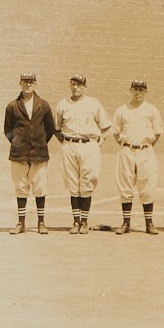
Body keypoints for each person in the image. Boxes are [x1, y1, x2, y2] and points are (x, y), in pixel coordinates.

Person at [54, 73, 110, 235]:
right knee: (73, 183)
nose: (76, 87)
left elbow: (105, 126)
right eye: (73, 84)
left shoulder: (93, 103)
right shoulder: (62, 104)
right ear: (70, 85)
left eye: (79, 85)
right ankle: (76, 221)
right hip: (70, 145)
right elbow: (57, 129)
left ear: (85, 87)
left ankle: (84, 222)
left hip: (89, 146)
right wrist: (66, 143)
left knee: (87, 181)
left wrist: (98, 143)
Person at [4, 71, 56, 235]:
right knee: (21, 186)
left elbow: (50, 129)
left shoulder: (43, 104)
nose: (28, 84)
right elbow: (8, 129)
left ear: (35, 84)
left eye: (31, 82)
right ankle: (21, 223)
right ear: (20, 83)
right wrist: (17, 142)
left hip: (39, 153)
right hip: (19, 153)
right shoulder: (12, 105)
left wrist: (39, 143)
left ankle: (41, 222)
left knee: (40, 186)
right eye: (25, 81)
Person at [111, 79, 163, 235]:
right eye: (135, 89)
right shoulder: (122, 110)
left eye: (141, 90)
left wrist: (146, 146)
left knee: (147, 186)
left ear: (145, 92)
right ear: (130, 90)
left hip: (145, 151)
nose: (138, 93)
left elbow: (157, 132)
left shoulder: (151, 110)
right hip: (127, 150)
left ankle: (149, 224)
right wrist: (126, 145)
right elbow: (115, 132)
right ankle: (126, 223)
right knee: (125, 186)